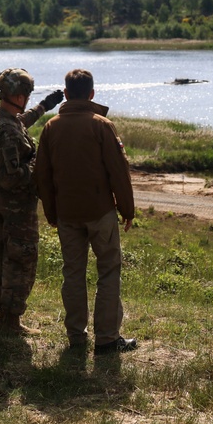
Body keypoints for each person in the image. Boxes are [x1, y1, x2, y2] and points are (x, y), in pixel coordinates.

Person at [35, 68, 137, 355]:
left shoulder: (51, 127)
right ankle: (106, 339)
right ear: (92, 93)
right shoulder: (102, 125)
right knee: (108, 271)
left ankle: (76, 338)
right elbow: (119, 172)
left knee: (73, 273)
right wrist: (128, 209)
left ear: (65, 94)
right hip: (100, 211)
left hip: (67, 214)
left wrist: (52, 213)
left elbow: (42, 176)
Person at [0, 69, 63, 335]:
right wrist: (40, 164)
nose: (27, 99)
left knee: (1, 258)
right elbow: (12, 176)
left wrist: (44, 107)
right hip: (16, 209)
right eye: (26, 95)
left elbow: (18, 123)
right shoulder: (9, 128)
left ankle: (3, 316)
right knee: (20, 261)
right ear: (17, 95)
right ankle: (10, 321)